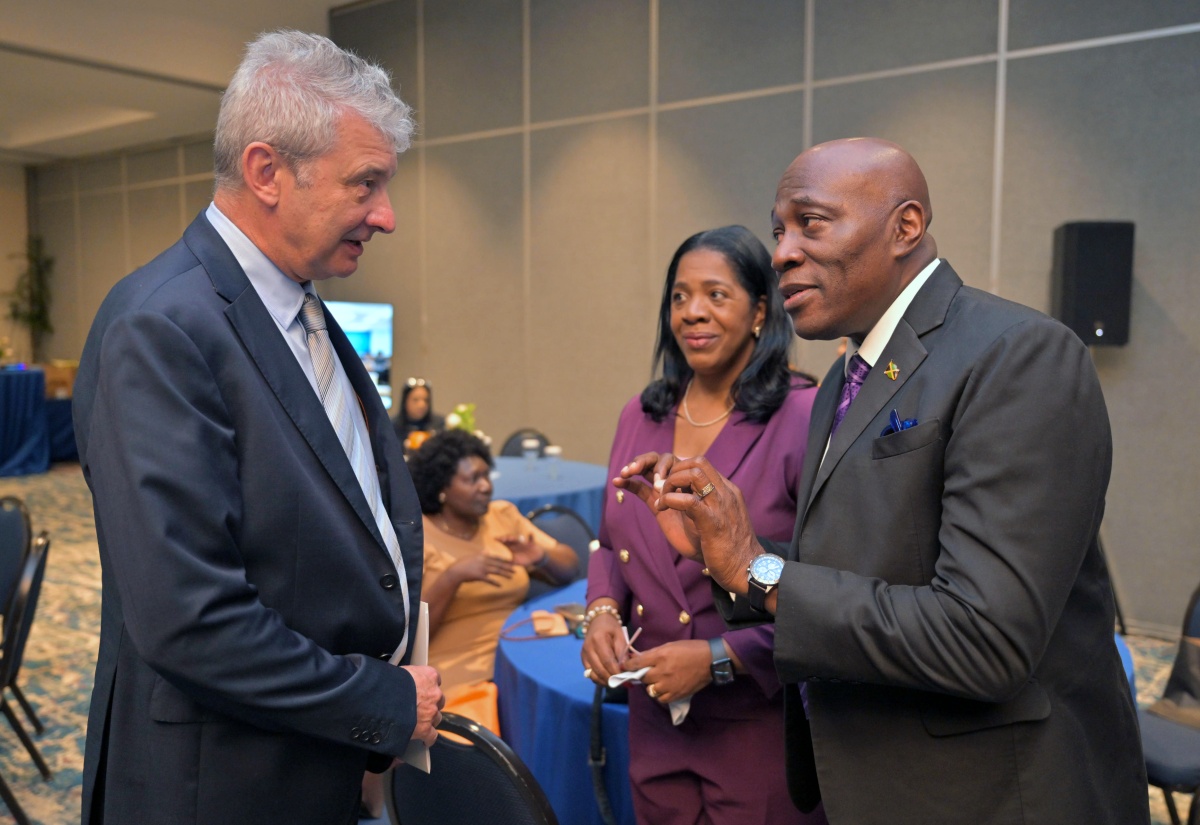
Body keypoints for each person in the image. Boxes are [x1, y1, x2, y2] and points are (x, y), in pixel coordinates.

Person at [615, 138, 1148, 823]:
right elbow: (871, 566)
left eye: (811, 223)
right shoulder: (847, 376)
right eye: (779, 231)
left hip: (988, 795)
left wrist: (760, 572)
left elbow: (984, 639)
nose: (781, 254)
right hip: (873, 779)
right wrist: (728, 550)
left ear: (906, 227)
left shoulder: (1016, 353)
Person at [72, 31, 443, 825]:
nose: (386, 216)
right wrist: (380, 699)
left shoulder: (298, 305)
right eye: (366, 183)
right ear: (267, 171)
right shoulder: (161, 327)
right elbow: (191, 620)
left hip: (307, 760)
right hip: (219, 785)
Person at [581, 226, 823, 824]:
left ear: (759, 312)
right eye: (680, 296)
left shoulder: (802, 415)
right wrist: (602, 612)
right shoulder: (641, 414)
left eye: (716, 294)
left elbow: (827, 588)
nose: (693, 312)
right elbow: (611, 540)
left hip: (756, 722)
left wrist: (721, 656)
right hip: (653, 718)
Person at [408, 429, 579, 694]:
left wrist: (541, 557)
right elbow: (412, 637)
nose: (486, 486)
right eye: (473, 479)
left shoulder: (502, 516)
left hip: (518, 653)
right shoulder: (419, 535)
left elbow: (570, 567)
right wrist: (453, 576)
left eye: (486, 475)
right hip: (459, 669)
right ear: (441, 488)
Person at [394, 377, 444, 447]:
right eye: (416, 400)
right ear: (405, 401)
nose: (422, 405)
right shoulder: (392, 427)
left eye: (426, 400)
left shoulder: (439, 425)